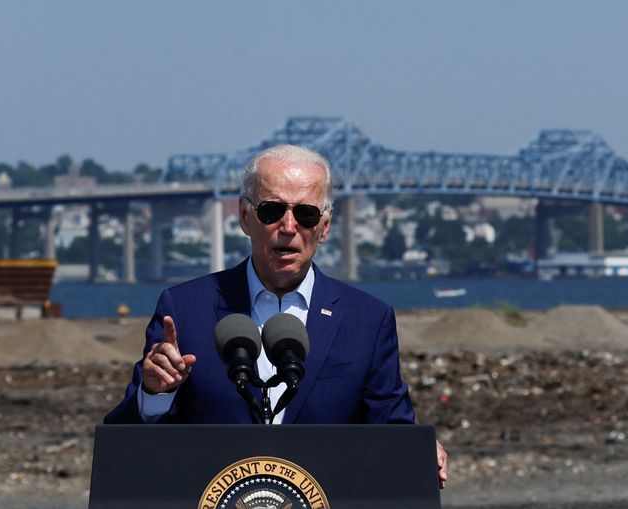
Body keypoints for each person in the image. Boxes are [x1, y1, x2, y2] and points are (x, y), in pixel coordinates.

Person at [104, 144, 449, 488]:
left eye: (306, 215)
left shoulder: (368, 320)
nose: (288, 226)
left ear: (325, 226)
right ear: (244, 216)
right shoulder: (183, 309)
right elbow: (123, 444)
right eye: (271, 211)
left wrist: (414, 451)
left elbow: (392, 426)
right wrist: (155, 394)